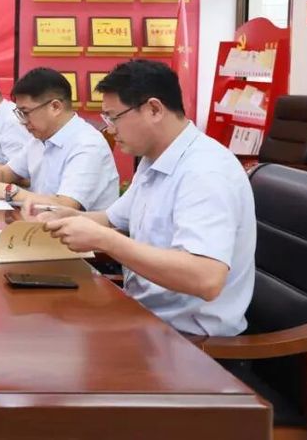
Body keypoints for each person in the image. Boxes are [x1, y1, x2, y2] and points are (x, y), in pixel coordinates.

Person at [36, 60, 256, 337]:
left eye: (114, 117)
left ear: (154, 109)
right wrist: (66, 217)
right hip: (143, 313)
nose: (110, 130)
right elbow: (111, 219)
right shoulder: (155, 158)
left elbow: (206, 278)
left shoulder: (205, 171)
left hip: (187, 338)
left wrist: (104, 240)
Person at [0, 67, 119, 212]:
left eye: (25, 113)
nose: (22, 121)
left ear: (55, 107)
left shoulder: (87, 144)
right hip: (40, 225)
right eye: (19, 113)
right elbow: (5, 173)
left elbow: (65, 205)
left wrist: (8, 191)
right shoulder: (39, 138)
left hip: (78, 236)